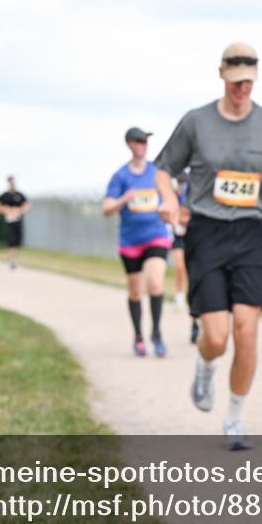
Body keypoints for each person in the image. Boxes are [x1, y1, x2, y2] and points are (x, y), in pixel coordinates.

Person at [155, 42, 262, 451]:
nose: (242, 88)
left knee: (247, 330)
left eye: (249, 81)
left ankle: (235, 418)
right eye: (236, 80)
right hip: (206, 231)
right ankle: (206, 365)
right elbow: (164, 169)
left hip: (249, 234)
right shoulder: (196, 122)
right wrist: (170, 200)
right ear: (221, 75)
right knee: (218, 336)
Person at [103, 127, 171, 358]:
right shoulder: (121, 176)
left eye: (146, 141)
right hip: (130, 240)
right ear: (130, 144)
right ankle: (138, 336)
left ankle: (157, 333)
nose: (143, 145)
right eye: (139, 141)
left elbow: (170, 198)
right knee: (135, 291)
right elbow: (106, 209)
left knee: (155, 283)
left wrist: (168, 209)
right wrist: (125, 198)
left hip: (156, 235)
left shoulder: (156, 172)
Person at [170, 171, 200, 343]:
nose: (181, 186)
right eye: (179, 183)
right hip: (178, 238)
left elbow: (187, 217)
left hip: (192, 238)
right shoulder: (172, 197)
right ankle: (179, 295)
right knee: (180, 266)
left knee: (195, 278)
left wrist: (182, 217)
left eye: (183, 183)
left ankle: (195, 322)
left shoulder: (192, 197)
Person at [0, 176, 31, 270]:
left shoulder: (20, 195)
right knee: (10, 241)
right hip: (8, 221)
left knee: (16, 241)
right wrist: (6, 210)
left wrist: (19, 210)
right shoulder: (4, 195)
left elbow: (27, 205)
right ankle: (11, 260)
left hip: (18, 221)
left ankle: (15, 260)